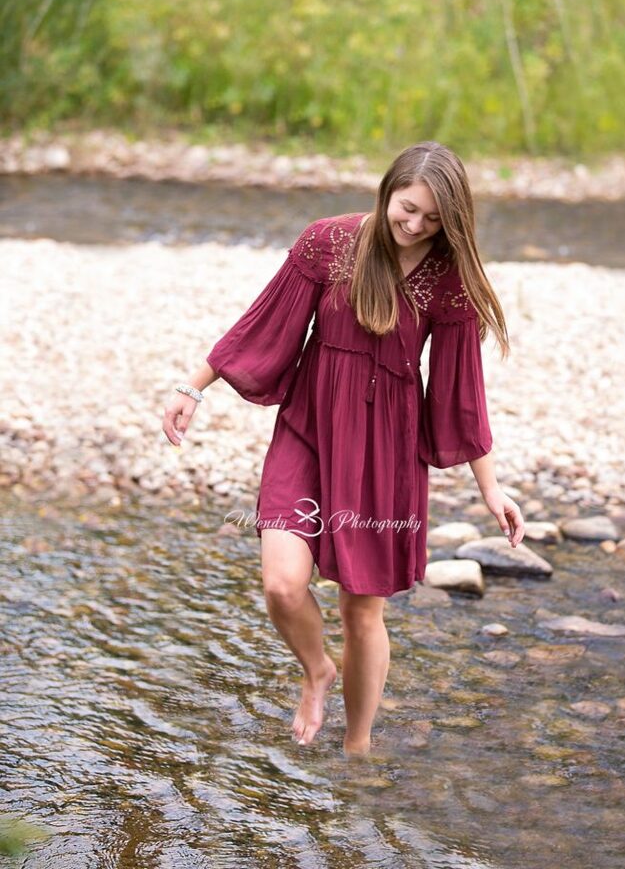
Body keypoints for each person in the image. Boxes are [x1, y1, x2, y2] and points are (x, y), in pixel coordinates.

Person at [162, 141, 525, 757]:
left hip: (386, 454)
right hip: (309, 430)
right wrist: (190, 388)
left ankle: (357, 753)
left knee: (362, 612)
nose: (414, 227)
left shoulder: (449, 281)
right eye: (406, 209)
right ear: (388, 192)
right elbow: (264, 324)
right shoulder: (327, 243)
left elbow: (461, 391)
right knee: (282, 583)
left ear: (452, 222)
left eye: (433, 220)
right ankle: (317, 671)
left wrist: (490, 488)